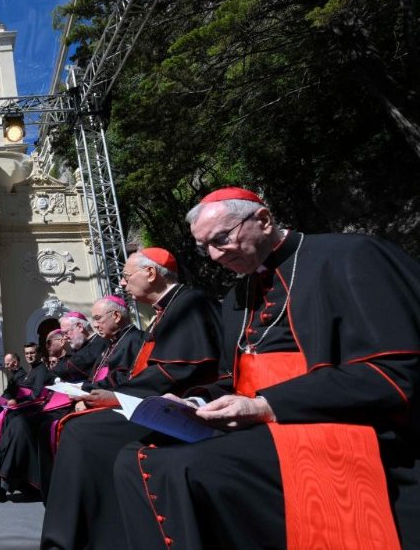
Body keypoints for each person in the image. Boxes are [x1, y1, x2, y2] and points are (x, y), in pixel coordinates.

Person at [113, 188, 420, 549]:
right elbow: (232, 379)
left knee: (178, 467)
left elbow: (395, 372)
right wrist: (192, 402)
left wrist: (265, 405)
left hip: (342, 423)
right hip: (265, 419)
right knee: (134, 455)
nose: (213, 255)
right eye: (203, 247)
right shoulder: (237, 297)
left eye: (221, 239)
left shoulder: (350, 256)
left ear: (263, 220)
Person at [40, 248, 222, 549]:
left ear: (151, 273)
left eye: (126, 277)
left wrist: (117, 396)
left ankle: (74, 538)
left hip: (178, 406)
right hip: (150, 397)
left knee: (81, 431)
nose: (122, 284)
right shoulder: (166, 312)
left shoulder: (190, 304)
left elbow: (176, 371)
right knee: (75, 426)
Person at [0, 302, 144, 502]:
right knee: (17, 420)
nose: (96, 325)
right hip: (77, 399)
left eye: (98, 319)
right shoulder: (108, 343)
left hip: (89, 403)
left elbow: (79, 370)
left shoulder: (110, 342)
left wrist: (85, 391)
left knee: (21, 421)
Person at [56, 312, 107, 381]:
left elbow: (69, 367)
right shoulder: (81, 345)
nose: (64, 337)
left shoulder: (99, 343)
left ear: (80, 327)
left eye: (66, 333)